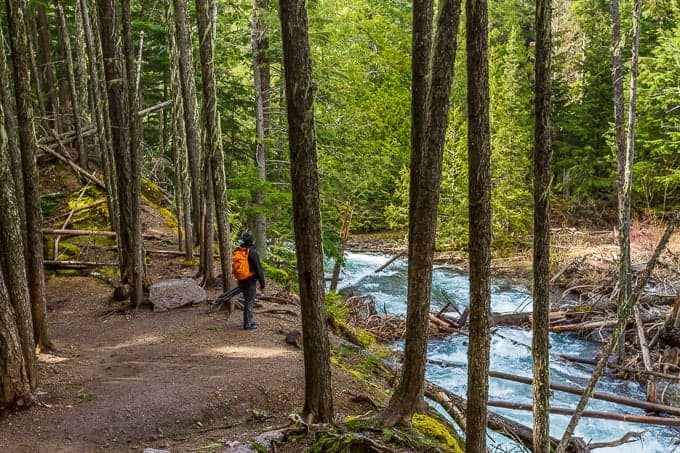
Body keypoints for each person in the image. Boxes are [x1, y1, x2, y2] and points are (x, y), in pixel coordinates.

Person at [235, 232, 265, 330]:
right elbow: (258, 268)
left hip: (242, 280)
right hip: (250, 281)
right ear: (252, 241)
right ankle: (247, 324)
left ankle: (250, 320)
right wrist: (262, 283)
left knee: (247, 301)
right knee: (249, 302)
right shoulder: (253, 252)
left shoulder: (241, 251)